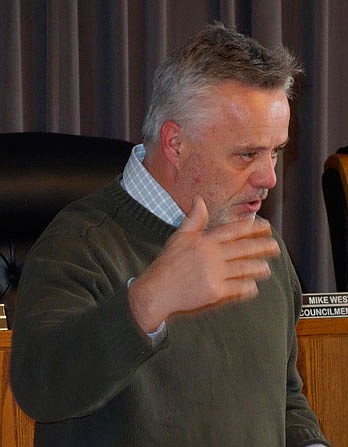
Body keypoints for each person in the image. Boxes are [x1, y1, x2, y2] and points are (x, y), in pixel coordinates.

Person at [10, 23, 330, 447]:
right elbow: (39, 388)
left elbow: (281, 397)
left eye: (275, 151)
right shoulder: (79, 244)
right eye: (247, 154)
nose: (269, 177)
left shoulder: (258, 247)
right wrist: (150, 300)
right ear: (176, 144)